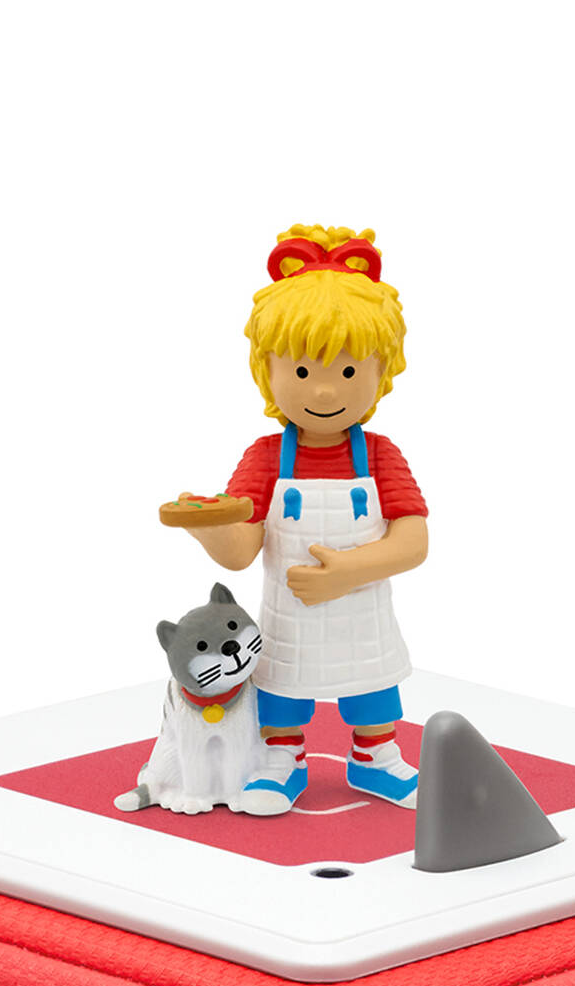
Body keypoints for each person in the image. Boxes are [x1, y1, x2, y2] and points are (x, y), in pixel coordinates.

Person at [172, 224, 429, 815]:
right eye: (304, 372)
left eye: (347, 372)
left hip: (361, 612)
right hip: (288, 619)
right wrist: (206, 525)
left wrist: (349, 571)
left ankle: (376, 759)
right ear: (267, 369)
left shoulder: (380, 456)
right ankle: (279, 760)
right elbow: (241, 552)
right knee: (281, 692)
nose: (326, 391)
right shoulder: (266, 459)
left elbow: (414, 541)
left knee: (372, 690)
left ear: (382, 370)